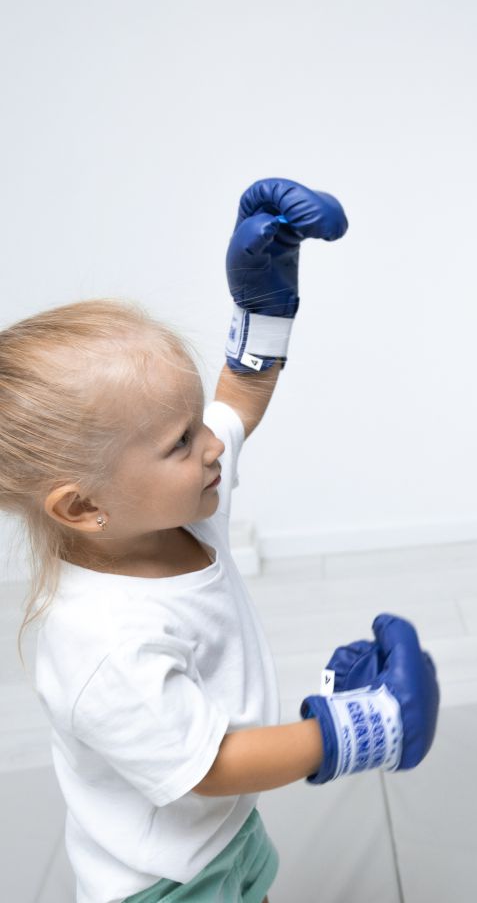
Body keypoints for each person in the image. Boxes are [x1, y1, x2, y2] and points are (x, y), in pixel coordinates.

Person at [0, 179, 439, 903]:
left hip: (223, 833)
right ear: (84, 506)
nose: (213, 445)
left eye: (195, 420)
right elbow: (210, 765)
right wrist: (363, 727)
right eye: (181, 439)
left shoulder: (175, 507)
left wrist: (262, 309)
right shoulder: (97, 641)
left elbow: (238, 397)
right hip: (157, 885)